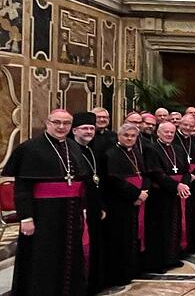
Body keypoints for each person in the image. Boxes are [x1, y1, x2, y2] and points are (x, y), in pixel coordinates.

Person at [2, 109, 90, 295]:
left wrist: (83, 208)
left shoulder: (73, 147)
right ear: (47, 123)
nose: (61, 127)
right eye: (56, 122)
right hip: (42, 215)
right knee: (42, 256)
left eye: (66, 123)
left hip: (70, 212)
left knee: (69, 255)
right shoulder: (30, 148)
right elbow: (22, 188)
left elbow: (79, 181)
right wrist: (26, 218)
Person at [103, 123, 150, 287]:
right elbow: (113, 180)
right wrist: (136, 194)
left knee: (134, 236)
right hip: (120, 203)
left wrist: (144, 192)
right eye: (126, 135)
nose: (130, 139)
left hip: (138, 200)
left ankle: (132, 269)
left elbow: (145, 174)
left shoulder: (136, 152)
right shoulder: (111, 154)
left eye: (133, 136)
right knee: (121, 238)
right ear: (119, 136)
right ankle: (120, 275)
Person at [143, 122, 191, 273]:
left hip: (176, 194)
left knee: (174, 226)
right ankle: (158, 262)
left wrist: (184, 184)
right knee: (160, 228)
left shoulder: (178, 148)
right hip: (160, 195)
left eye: (172, 132)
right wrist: (176, 186)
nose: (169, 135)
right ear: (158, 132)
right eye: (166, 132)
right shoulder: (151, 149)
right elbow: (156, 173)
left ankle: (172, 257)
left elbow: (186, 171)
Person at [71, 111, 105, 294]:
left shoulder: (92, 150)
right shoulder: (70, 150)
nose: (89, 131)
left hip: (94, 206)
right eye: (85, 128)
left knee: (95, 244)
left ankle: (93, 283)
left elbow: (98, 180)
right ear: (74, 130)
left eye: (92, 128)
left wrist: (101, 205)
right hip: (78, 207)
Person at [175, 115, 195, 254]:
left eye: (191, 126)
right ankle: (180, 247)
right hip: (179, 183)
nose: (187, 128)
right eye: (185, 125)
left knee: (193, 214)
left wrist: (194, 176)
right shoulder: (174, 139)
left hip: (194, 182)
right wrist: (186, 178)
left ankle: (193, 245)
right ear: (180, 124)